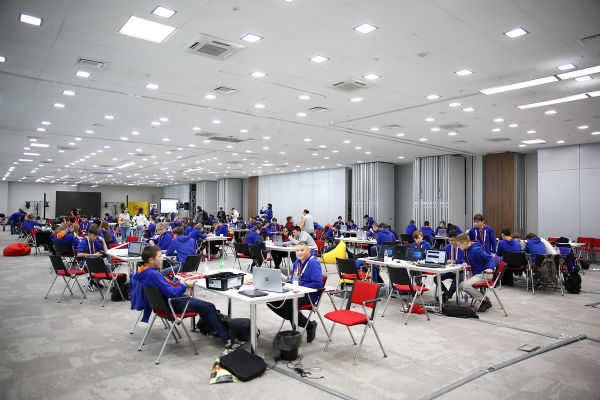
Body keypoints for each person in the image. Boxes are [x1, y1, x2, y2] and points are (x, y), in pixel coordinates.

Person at [132, 245, 238, 349]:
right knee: (209, 307)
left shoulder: (144, 271)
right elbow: (172, 293)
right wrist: (185, 285)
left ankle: (214, 330)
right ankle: (227, 339)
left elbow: (165, 287)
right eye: (159, 256)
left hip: (164, 305)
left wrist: (179, 282)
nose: (162, 259)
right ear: (151, 260)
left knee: (203, 307)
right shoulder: (153, 274)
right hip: (173, 303)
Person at [267, 241, 322, 343]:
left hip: (308, 294)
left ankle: (309, 326)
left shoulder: (313, 263)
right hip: (294, 291)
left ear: (308, 250)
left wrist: (301, 287)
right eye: (297, 250)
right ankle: (294, 318)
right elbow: (293, 278)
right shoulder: (296, 263)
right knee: (271, 301)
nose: (299, 253)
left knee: (288, 305)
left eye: (302, 250)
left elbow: (318, 283)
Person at [456, 233, 495, 312]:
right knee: (461, 285)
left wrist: (490, 268)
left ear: (465, 243)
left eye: (459, 245)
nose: (458, 247)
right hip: (476, 273)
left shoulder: (476, 250)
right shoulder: (466, 250)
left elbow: (489, 258)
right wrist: (464, 262)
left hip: (485, 274)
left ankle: (485, 301)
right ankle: (483, 299)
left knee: (466, 285)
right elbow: (465, 258)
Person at [433, 231, 465, 301]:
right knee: (436, 278)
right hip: (449, 270)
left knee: (457, 279)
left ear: (457, 239)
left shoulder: (462, 248)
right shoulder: (446, 247)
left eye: (453, 240)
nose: (451, 242)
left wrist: (455, 261)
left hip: (460, 270)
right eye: (449, 240)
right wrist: (445, 261)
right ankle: (445, 291)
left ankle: (448, 296)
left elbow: (465, 260)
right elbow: (442, 259)